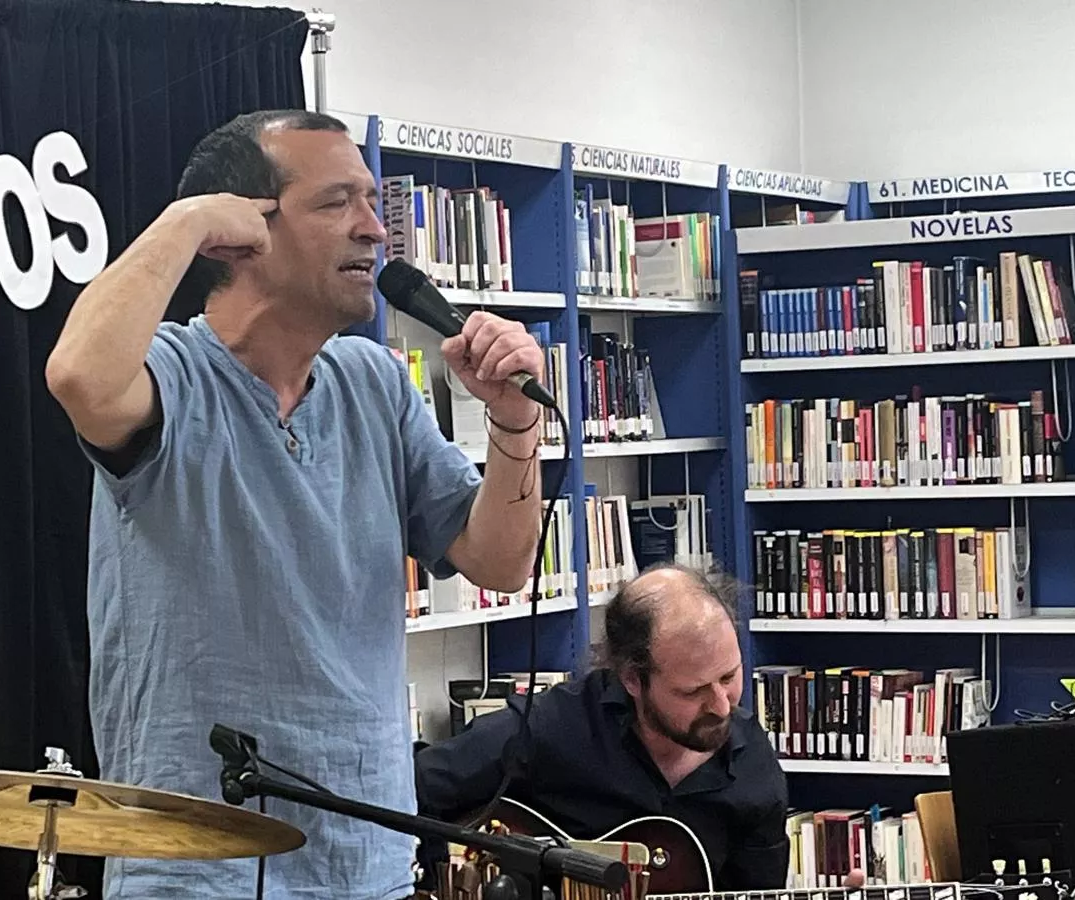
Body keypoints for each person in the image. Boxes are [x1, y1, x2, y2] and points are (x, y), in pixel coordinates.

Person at [44, 108, 547, 900]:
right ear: (240, 233)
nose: (374, 231)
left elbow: (502, 562)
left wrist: (513, 421)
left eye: (373, 204)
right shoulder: (174, 376)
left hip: (366, 861)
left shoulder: (375, 384)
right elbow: (79, 377)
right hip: (195, 870)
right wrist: (184, 222)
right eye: (337, 202)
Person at [414, 562, 864, 893]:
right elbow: (411, 789)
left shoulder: (753, 767)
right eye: (693, 692)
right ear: (632, 679)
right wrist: (446, 883)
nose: (722, 705)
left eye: (729, 677)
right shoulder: (554, 726)